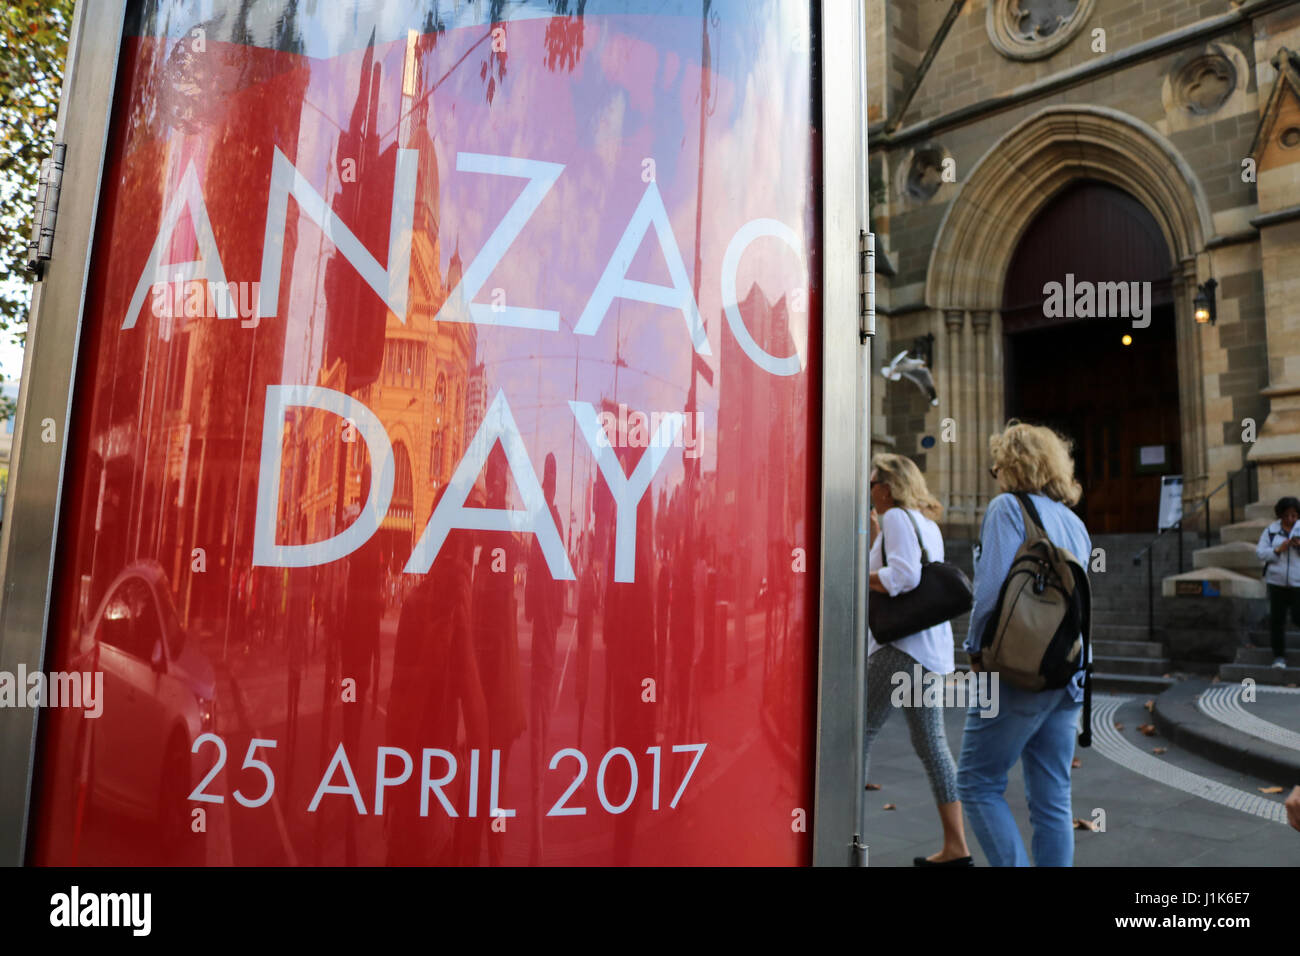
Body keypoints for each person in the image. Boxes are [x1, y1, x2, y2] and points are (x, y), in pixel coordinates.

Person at [957, 421, 1091, 867]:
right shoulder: (1073, 521)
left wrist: (976, 650)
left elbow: (991, 591)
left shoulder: (1006, 509)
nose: (994, 471)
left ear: (1012, 466)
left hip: (1017, 669)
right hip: (1069, 672)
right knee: (1052, 797)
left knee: (977, 783)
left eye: (997, 463)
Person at [864, 453, 971, 867]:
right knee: (932, 746)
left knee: (857, 734)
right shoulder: (924, 523)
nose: (870, 490)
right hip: (928, 653)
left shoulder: (896, 519)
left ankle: (841, 835)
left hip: (899, 651)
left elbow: (904, 577)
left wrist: (855, 573)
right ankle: (957, 847)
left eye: (872, 483)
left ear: (886, 488)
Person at [1256, 496, 1300, 669]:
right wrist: (1277, 549)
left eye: (1294, 515)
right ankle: (1279, 657)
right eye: (1287, 515)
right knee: (1277, 620)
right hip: (1276, 582)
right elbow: (1260, 553)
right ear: (1280, 515)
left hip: (1298, 583)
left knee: (1298, 616)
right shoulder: (1270, 531)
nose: (1291, 519)